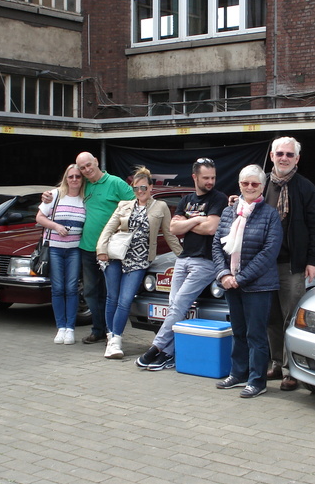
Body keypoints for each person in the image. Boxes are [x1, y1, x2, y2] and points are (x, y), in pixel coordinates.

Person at [136, 157, 228, 371]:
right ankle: (169, 354)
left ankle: (156, 348)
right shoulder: (186, 199)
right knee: (174, 306)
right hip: (183, 258)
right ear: (195, 177)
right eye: (206, 177)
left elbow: (211, 229)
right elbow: (174, 229)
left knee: (179, 305)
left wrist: (187, 223)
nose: (210, 181)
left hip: (205, 262)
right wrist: (197, 220)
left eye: (213, 177)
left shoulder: (219, 198)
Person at [42, 152, 134, 345]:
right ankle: (98, 329)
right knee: (91, 292)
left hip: (110, 249)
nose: (86, 170)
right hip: (86, 247)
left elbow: (135, 205)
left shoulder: (115, 183)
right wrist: (48, 196)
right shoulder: (85, 185)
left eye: (88, 165)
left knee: (110, 293)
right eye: (82, 168)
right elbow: (66, 188)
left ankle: (113, 332)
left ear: (96, 162)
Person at [97, 166, 182, 359]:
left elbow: (169, 234)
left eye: (144, 187)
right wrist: (101, 250)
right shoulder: (124, 205)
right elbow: (109, 229)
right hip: (116, 256)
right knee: (112, 298)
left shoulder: (160, 207)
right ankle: (112, 339)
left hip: (140, 259)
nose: (140, 192)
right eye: (136, 188)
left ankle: (115, 338)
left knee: (126, 300)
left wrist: (183, 255)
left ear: (151, 187)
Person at [212, 165, 282, 398]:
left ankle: (257, 380)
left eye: (255, 184)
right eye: (245, 183)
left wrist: (240, 278)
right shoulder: (228, 212)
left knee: (256, 335)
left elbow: (269, 252)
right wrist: (224, 275)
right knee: (238, 331)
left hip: (258, 286)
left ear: (262, 186)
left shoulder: (270, 214)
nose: (250, 187)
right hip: (231, 283)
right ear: (239, 185)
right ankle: (238, 373)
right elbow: (217, 246)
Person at [263, 137, 315, 392]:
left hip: (293, 265)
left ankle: (292, 371)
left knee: (291, 318)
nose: (284, 158)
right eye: (280, 153)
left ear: (297, 159)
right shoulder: (261, 184)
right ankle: (276, 363)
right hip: (264, 265)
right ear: (272, 156)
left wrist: (313, 261)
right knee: (271, 318)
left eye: (290, 154)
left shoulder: (305, 187)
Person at [36, 164, 86, 345]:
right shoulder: (55, 195)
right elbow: (39, 217)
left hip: (74, 249)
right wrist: (56, 226)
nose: (74, 180)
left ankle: (70, 328)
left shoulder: (85, 198)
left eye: (78, 177)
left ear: (82, 180)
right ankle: (61, 327)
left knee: (72, 288)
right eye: (70, 176)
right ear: (66, 178)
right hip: (55, 248)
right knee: (57, 288)